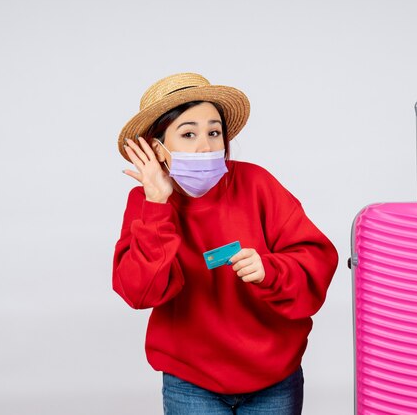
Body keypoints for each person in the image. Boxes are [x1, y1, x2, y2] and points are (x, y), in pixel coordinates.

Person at [112, 72, 338, 415]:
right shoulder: (146, 203)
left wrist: (271, 270)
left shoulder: (257, 184)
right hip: (191, 381)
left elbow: (316, 260)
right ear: (157, 148)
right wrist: (157, 205)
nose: (206, 145)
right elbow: (140, 292)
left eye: (214, 132)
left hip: (274, 377)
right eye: (188, 134)